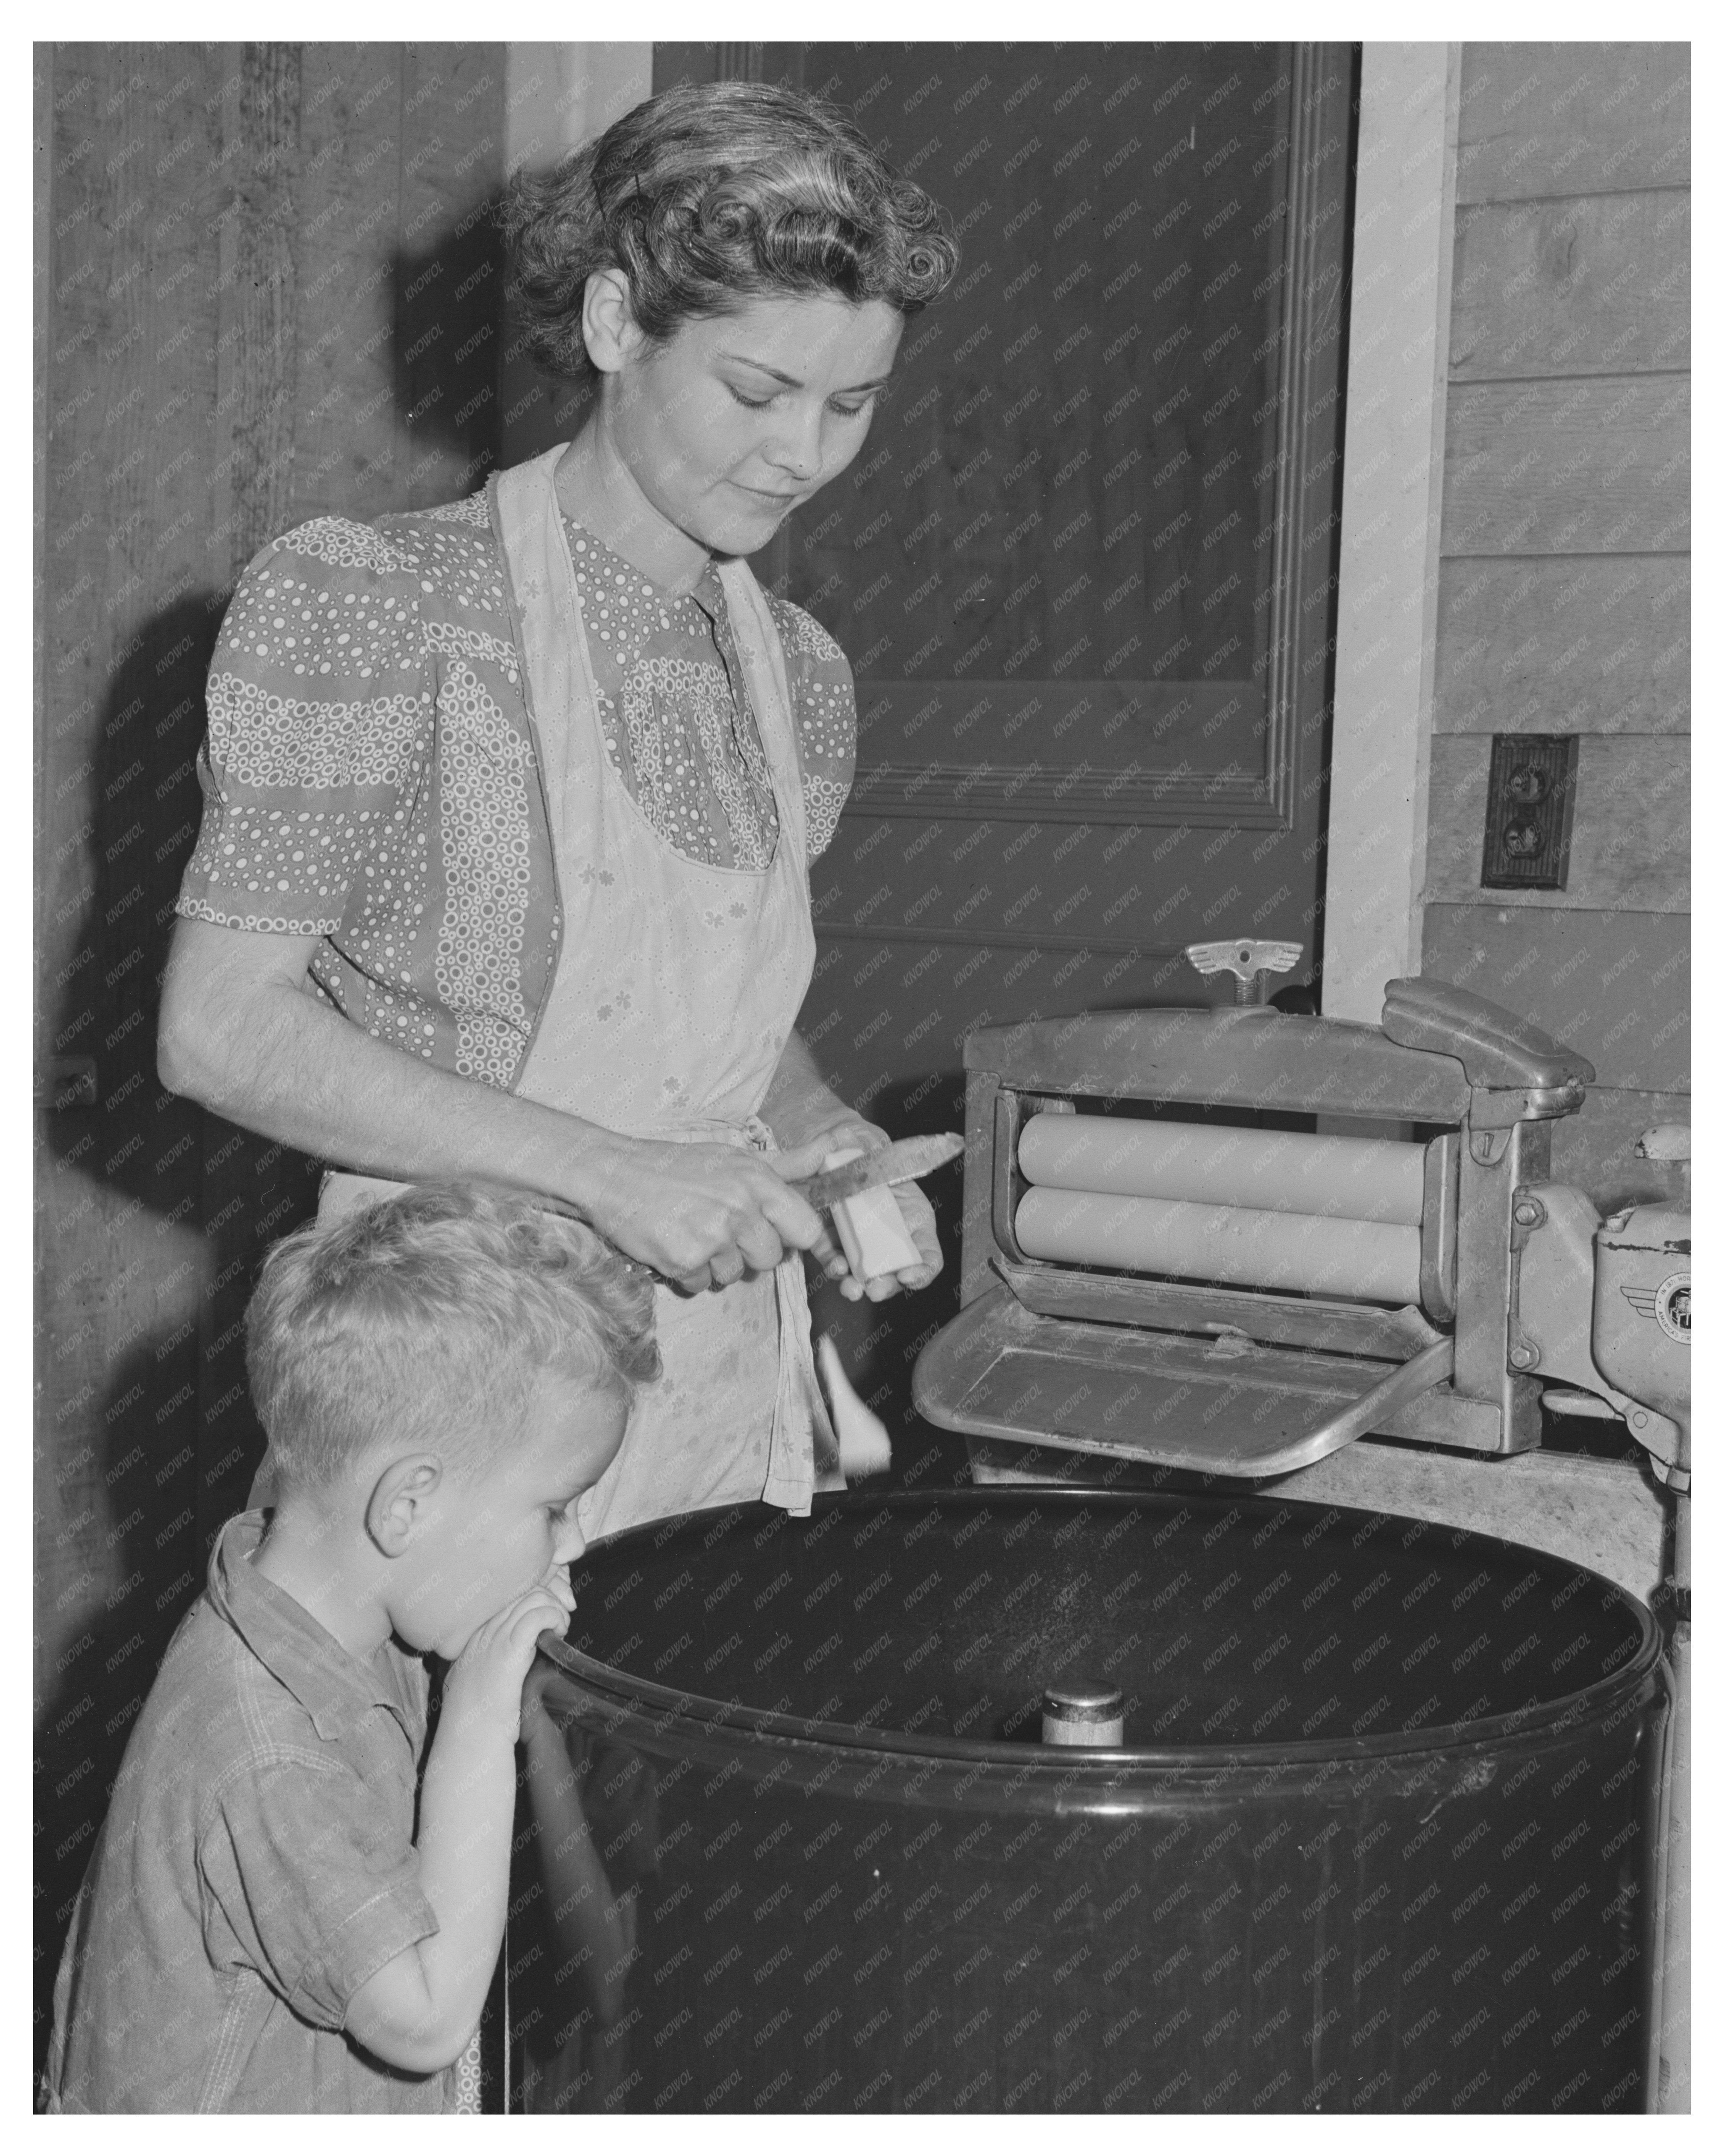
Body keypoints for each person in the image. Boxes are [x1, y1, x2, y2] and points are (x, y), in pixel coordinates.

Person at [158, 79, 960, 1542]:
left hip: (710, 1400)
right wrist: (612, 1180)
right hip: (444, 1403)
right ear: (611, 327)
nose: (804, 456)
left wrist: (823, 1133)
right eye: (757, 392)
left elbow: (700, 1018)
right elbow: (217, 1031)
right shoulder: (377, 606)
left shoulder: (798, 674)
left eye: (851, 405)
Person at [43, 1184, 659, 2112]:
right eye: (553, 1506)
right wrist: (480, 1718)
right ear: (406, 1503)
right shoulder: (267, 1748)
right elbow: (423, 2018)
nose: (569, 1542)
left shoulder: (324, 1604)